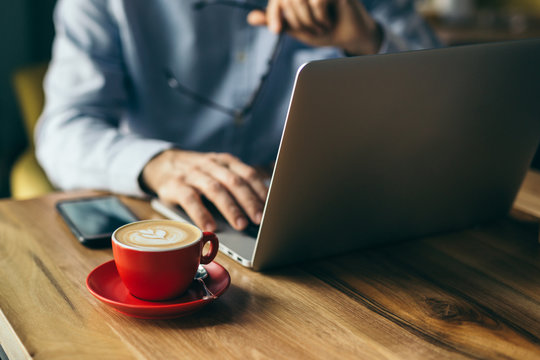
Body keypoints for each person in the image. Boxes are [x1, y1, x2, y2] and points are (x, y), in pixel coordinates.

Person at [36, 0, 440, 232]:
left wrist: (367, 39)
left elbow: (445, 104)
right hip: (165, 227)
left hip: (335, 216)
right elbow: (63, 129)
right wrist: (158, 164)